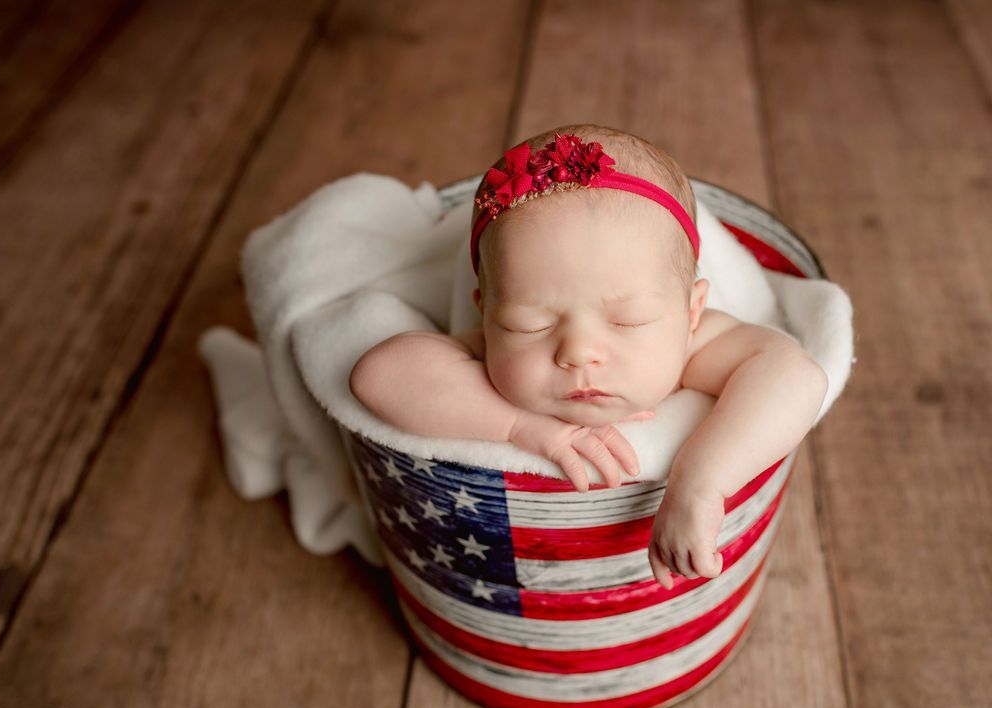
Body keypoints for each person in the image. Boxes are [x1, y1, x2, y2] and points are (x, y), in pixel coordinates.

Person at [349, 123, 828, 590]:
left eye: (629, 320)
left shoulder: (694, 345)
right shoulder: (495, 352)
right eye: (529, 323)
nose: (577, 352)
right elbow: (378, 376)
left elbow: (794, 374)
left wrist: (701, 481)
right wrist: (521, 427)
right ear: (487, 314)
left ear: (692, 312)